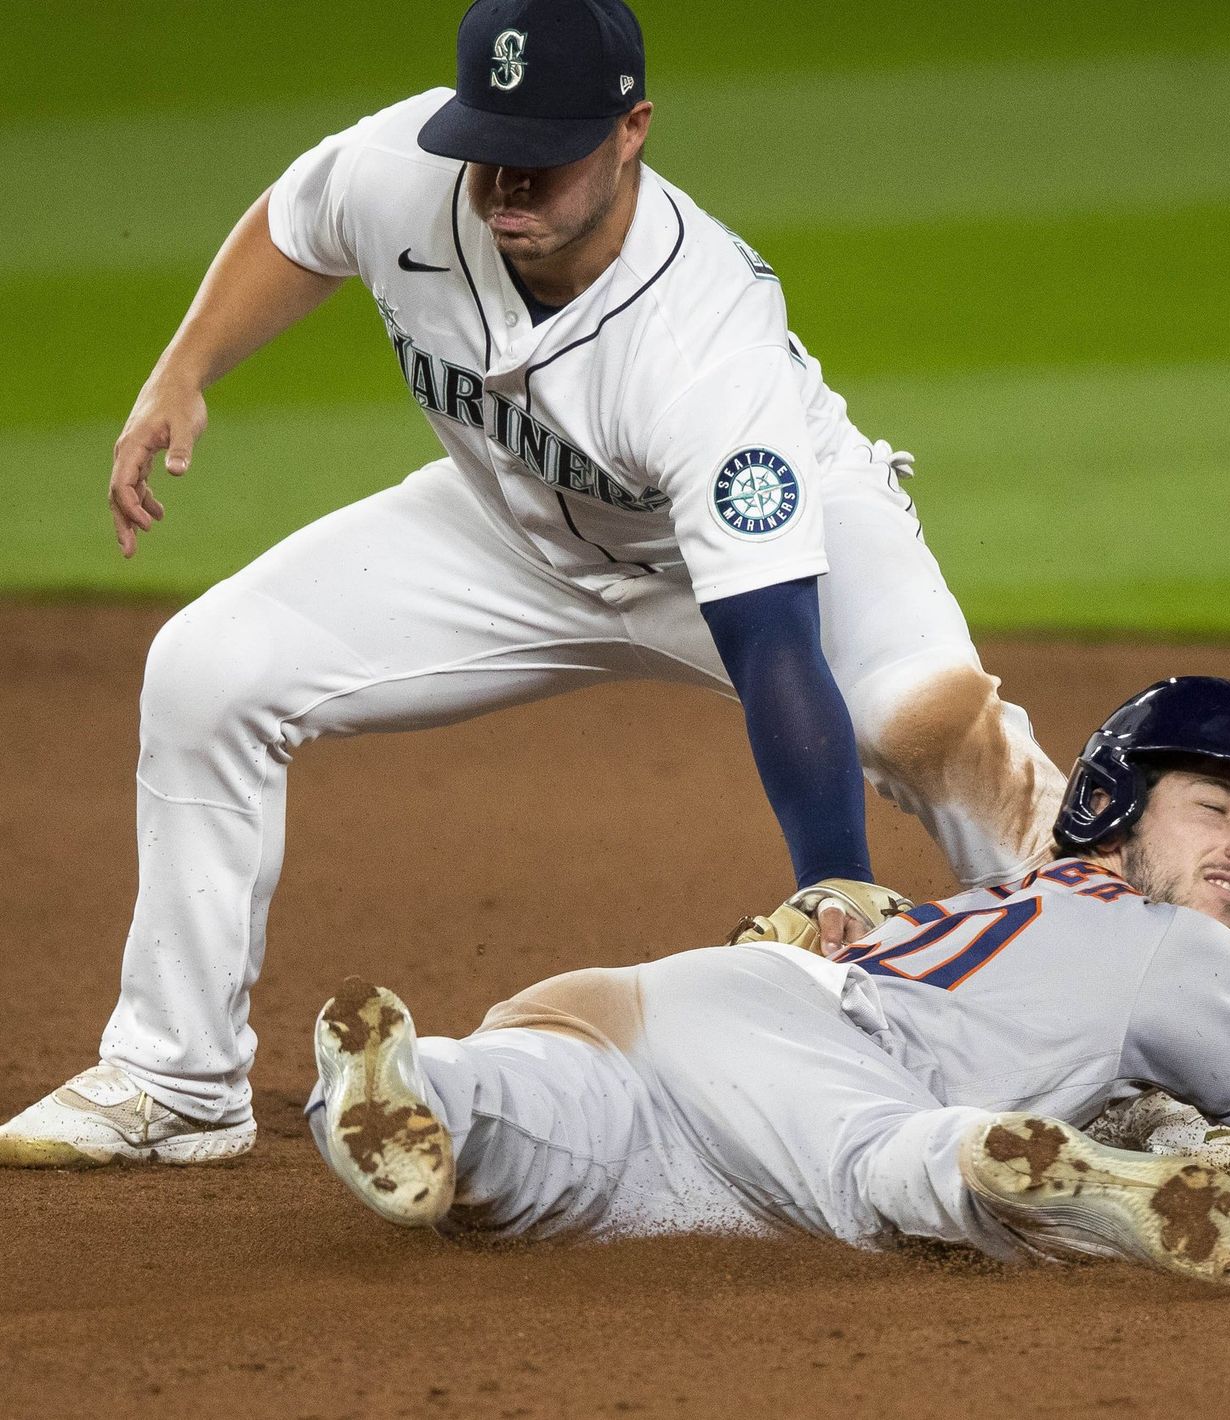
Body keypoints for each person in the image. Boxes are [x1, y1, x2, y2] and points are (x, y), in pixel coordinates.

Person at [0, 0, 1065, 1170]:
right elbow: (297, 223)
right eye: (487, 142)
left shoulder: (705, 342)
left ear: (631, 132)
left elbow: (771, 641)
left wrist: (830, 879)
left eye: (544, 153)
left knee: (932, 727)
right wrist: (183, 369)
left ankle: (1124, 1053)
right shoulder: (408, 169)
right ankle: (175, 1076)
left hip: (772, 549)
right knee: (209, 671)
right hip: (510, 533)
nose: (506, 180)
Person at [304, 677, 1230, 1288]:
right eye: (1214, 805)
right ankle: (999, 1166)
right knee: (892, 1173)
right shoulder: (1179, 950)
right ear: (1113, 801)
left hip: (688, 1021)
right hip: (838, 1078)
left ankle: (422, 1081)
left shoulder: (993, 904)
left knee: (545, 1151)